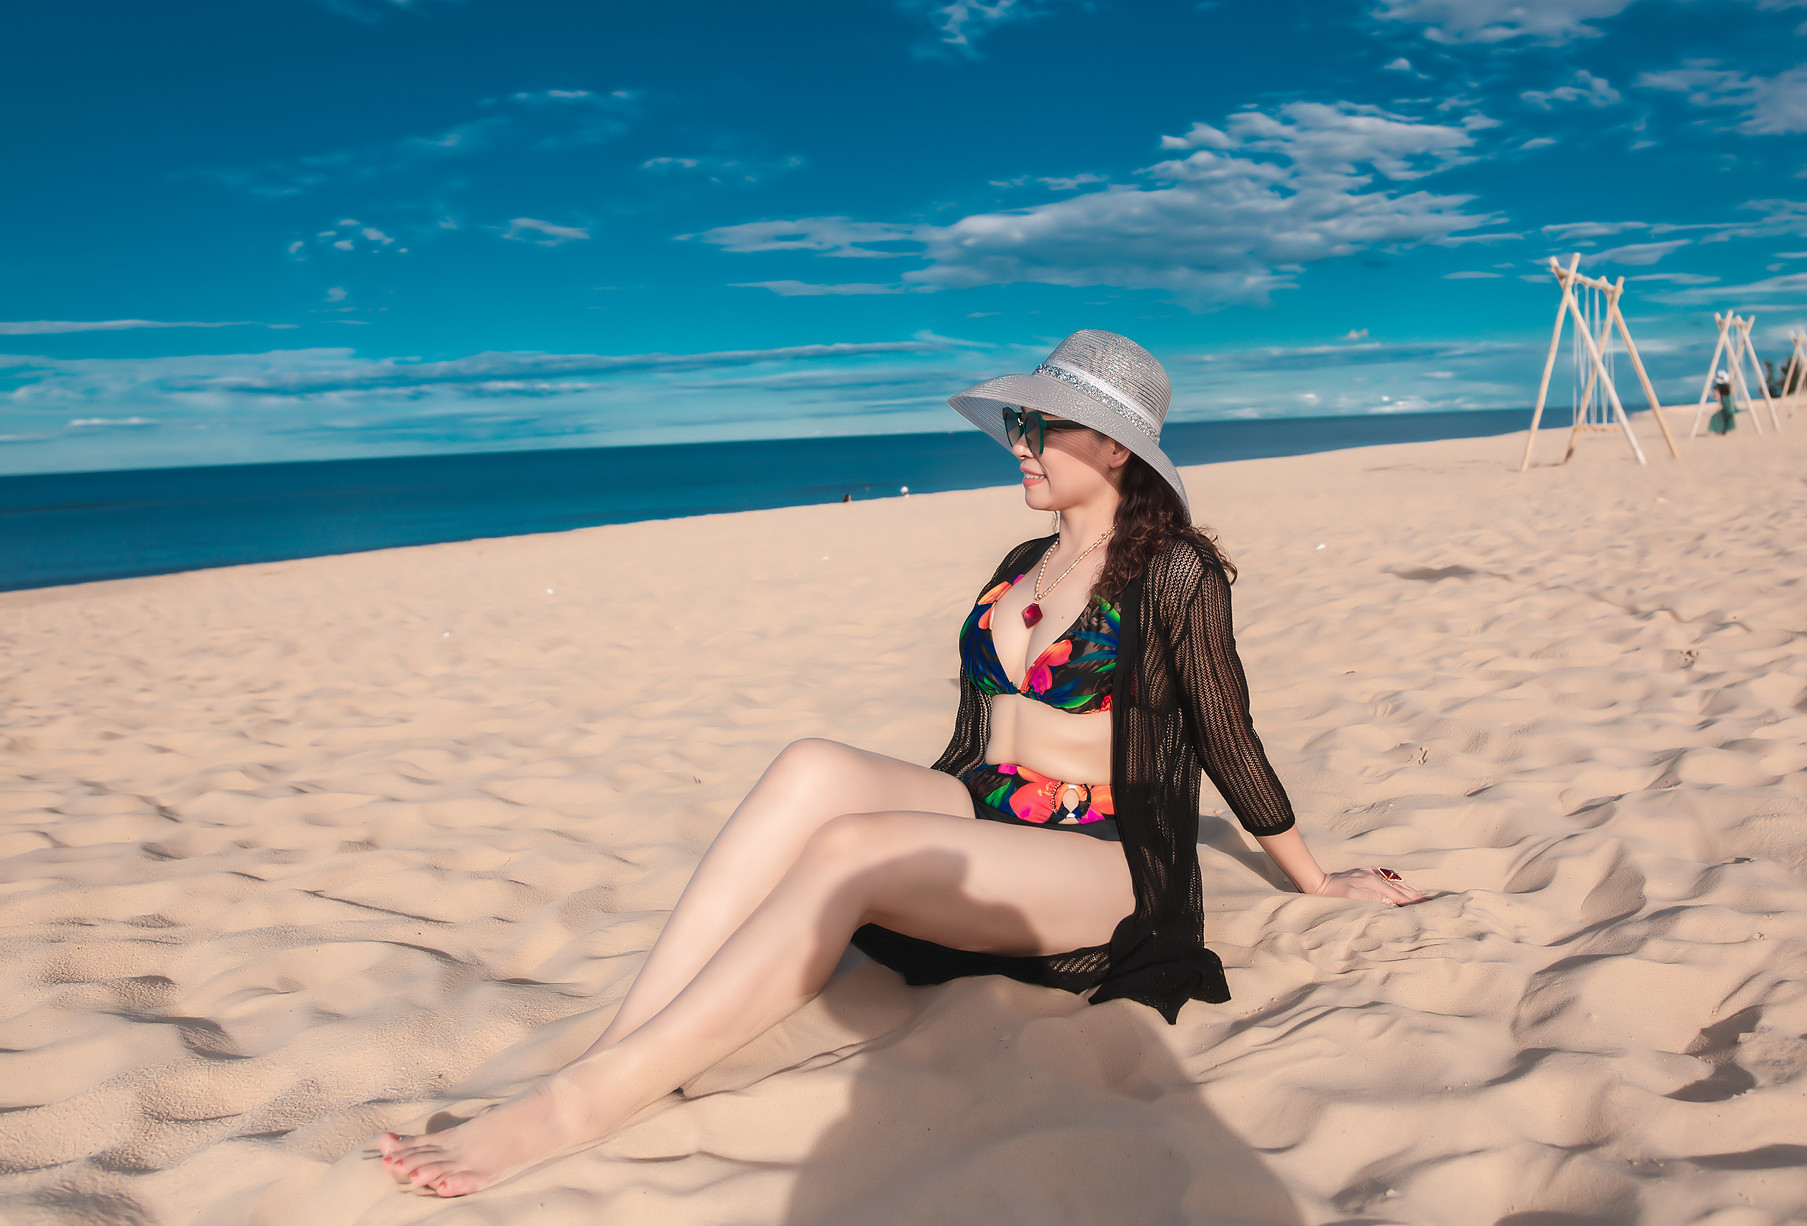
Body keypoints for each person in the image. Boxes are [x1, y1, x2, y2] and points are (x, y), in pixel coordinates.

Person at [378, 330, 1428, 1197]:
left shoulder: (1174, 571)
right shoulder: (1021, 562)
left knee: (848, 847)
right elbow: (971, 739)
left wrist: (1315, 877)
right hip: (991, 811)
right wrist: (944, 813)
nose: (1017, 443)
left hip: (1101, 856)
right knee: (809, 767)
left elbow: (1225, 729)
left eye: (1039, 426)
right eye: (1016, 423)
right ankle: (625, 1035)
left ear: (1112, 447)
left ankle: (583, 1103)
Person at [1708, 366, 1738, 435]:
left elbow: (1717, 396)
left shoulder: (1718, 388)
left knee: (1716, 418)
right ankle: (1724, 431)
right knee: (1727, 417)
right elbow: (1734, 392)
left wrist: (1710, 394)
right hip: (1730, 404)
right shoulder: (1728, 386)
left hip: (1724, 404)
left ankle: (1721, 431)